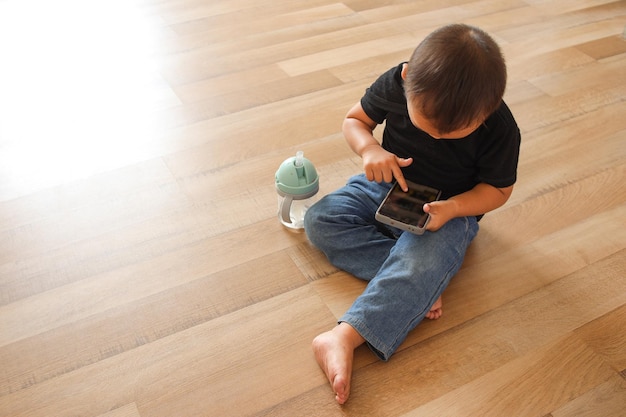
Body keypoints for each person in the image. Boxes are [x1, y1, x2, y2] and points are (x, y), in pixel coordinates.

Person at [303, 23, 521, 404]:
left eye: (454, 132)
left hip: (446, 214)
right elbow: (355, 121)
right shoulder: (395, 82)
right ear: (407, 81)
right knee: (321, 219)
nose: (436, 136)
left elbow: (498, 190)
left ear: (488, 111)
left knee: (428, 257)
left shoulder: (501, 129)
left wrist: (453, 208)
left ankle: (344, 336)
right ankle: (417, 286)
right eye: (428, 123)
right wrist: (370, 150)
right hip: (387, 188)